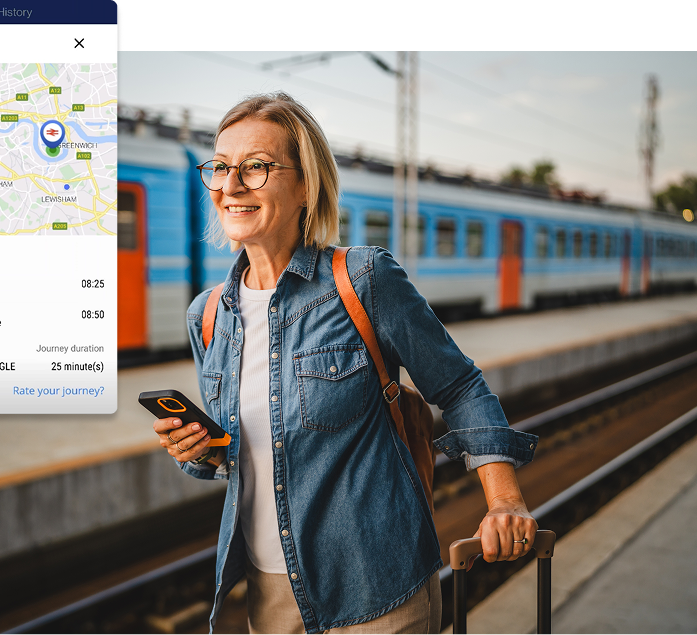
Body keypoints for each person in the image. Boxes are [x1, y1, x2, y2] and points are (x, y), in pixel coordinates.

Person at [152, 92, 539, 635]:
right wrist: (198, 450)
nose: (230, 185)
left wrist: (504, 500)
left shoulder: (363, 281)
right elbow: (237, 452)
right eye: (219, 167)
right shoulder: (209, 316)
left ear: (306, 183)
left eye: (256, 168)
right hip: (270, 598)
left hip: (379, 591)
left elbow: (459, 387)